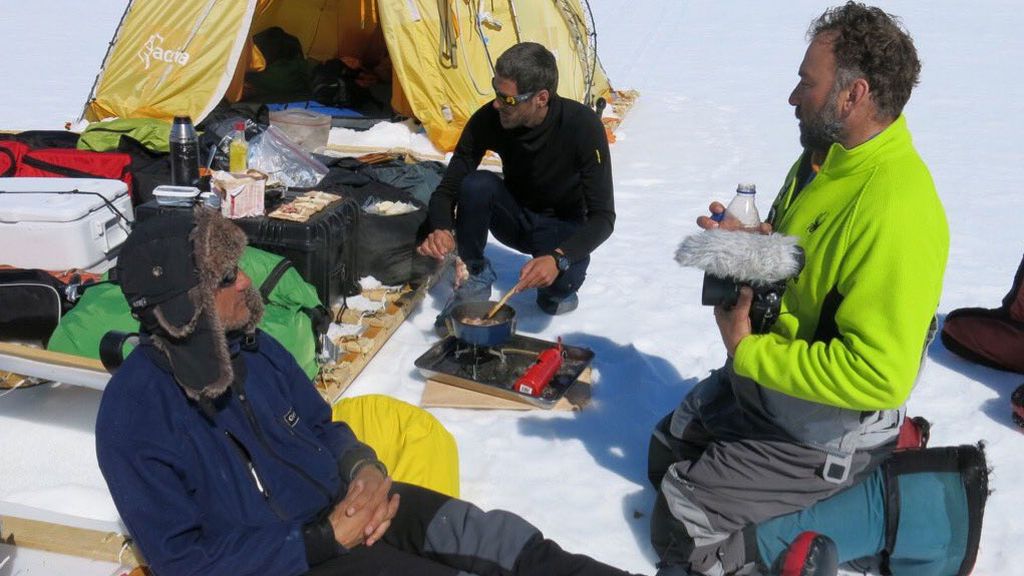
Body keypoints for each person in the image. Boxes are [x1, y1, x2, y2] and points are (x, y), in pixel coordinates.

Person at [95, 206, 641, 576]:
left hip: (351, 506)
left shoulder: (254, 350)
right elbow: (183, 561)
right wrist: (320, 540)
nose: (244, 282)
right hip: (295, 559)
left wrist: (364, 469)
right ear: (181, 304)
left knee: (502, 540)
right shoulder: (135, 415)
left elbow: (320, 427)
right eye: (224, 276)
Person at [647, 3, 949, 575]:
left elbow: (879, 374)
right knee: (668, 450)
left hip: (826, 429)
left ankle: (836, 524)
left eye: (807, 83)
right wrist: (749, 245)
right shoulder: (824, 161)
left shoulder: (897, 211)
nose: (792, 96)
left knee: (679, 521)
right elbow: (802, 261)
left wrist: (747, 350)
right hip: (772, 387)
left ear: (853, 95)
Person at [416, 41, 614, 320]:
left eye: (508, 99)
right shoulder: (489, 118)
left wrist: (559, 258)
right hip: (515, 217)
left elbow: (603, 217)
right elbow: (449, 188)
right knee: (477, 184)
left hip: (561, 230)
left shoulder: (581, 126)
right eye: (496, 91)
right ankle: (476, 274)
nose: (497, 104)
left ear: (541, 98)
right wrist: (441, 228)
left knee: (556, 296)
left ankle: (557, 285)